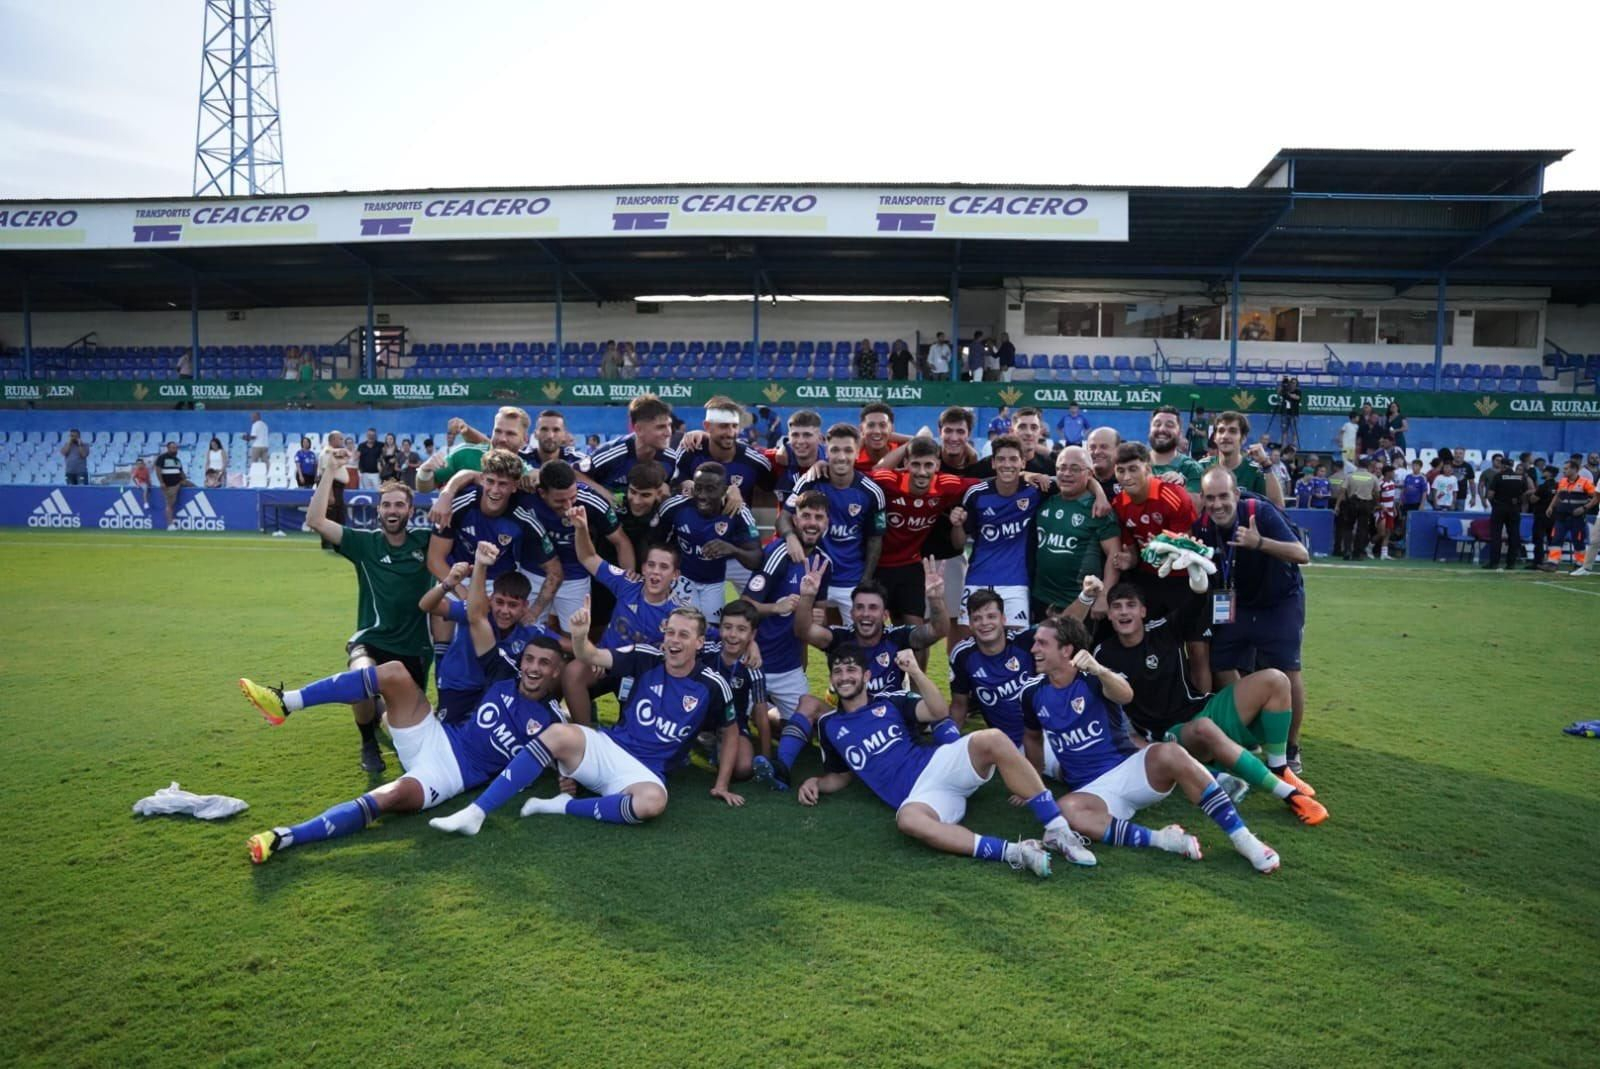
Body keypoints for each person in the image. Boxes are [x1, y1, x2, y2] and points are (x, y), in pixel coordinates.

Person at [238, 630, 568, 864]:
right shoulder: (503, 672)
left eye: (543, 663)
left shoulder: (554, 723)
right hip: (434, 735)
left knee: (390, 796)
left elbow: (572, 762)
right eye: (530, 659)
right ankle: (285, 703)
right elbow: (477, 615)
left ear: (556, 671)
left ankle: (283, 836)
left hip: (446, 775)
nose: (533, 668)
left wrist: (568, 780)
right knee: (395, 672)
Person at [429, 603, 745, 836]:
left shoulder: (712, 685)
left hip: (644, 772)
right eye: (671, 632)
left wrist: (721, 784)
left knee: (653, 803)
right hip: (608, 748)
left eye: (684, 635)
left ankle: (559, 805)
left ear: (700, 643)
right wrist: (580, 638)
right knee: (557, 733)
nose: (674, 640)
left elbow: (730, 732)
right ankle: (476, 812)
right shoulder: (645, 655)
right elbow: (592, 657)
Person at [798, 645, 1094, 876]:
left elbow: (939, 710)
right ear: (831, 680)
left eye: (851, 670)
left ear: (865, 676)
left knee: (991, 738)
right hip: (922, 796)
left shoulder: (890, 701)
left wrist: (914, 670)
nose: (844, 676)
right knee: (908, 820)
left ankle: (1058, 830)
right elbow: (842, 774)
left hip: (939, 763)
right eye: (837, 672)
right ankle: (1015, 852)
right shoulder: (829, 725)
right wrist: (817, 782)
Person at [1021, 614, 1280, 873]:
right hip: (1093, 792)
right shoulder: (1033, 693)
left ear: (1066, 649)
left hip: (1131, 772)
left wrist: (1099, 670)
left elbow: (1125, 694)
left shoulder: (1091, 679)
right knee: (1065, 810)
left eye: (1042, 643)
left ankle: (1244, 839)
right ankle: (1161, 839)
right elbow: (1032, 738)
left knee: (1170, 753)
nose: (1033, 649)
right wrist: (1033, 787)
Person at [1084, 582, 1327, 826]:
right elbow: (1104, 709)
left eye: (1131, 605)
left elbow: (1194, 607)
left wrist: (1198, 583)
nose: (1124, 612)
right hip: (1171, 735)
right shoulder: (1103, 654)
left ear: (1143, 611)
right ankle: (1290, 795)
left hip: (1203, 708)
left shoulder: (1163, 630)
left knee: (1276, 680)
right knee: (1204, 727)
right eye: (1117, 607)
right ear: (1110, 614)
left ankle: (1279, 767)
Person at [300, 448, 437, 772]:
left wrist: (444, 488)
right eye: (386, 504)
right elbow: (315, 520)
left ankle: (381, 714)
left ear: (409, 510)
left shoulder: (426, 541)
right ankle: (367, 741)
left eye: (399, 504)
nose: (392, 510)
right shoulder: (365, 543)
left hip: (415, 648)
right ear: (378, 509)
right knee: (360, 676)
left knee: (411, 730)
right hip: (372, 638)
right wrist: (330, 472)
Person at [1192, 467, 1313, 772]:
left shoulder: (1259, 512)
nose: (1217, 504)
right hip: (1238, 603)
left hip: (1279, 601)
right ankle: (1249, 730)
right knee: (1221, 662)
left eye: (1223, 496)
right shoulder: (1204, 524)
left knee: (1288, 669)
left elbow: (1302, 554)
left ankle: (1291, 746)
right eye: (1210, 498)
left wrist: (1260, 543)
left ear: (1236, 493)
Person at [563, 507, 685, 726]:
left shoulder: (680, 613)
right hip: (603, 663)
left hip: (641, 676)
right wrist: (581, 528)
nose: (656, 572)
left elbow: (711, 637)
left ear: (675, 575)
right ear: (643, 567)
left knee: (630, 729)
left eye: (664, 567)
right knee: (572, 673)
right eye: (651, 565)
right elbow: (588, 557)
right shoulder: (627, 584)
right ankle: (586, 738)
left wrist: (750, 644)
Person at [741, 491, 833, 776]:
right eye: (806, 516)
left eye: (818, 517)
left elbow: (809, 623)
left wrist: (818, 617)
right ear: (795, 519)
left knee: (808, 732)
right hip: (754, 663)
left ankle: (765, 716)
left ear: (827, 523)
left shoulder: (823, 563)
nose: (812, 522)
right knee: (733, 738)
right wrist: (775, 606)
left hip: (789, 668)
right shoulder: (778, 552)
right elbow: (744, 605)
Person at [426, 448, 563, 638]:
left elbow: (555, 571)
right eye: (490, 481)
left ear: (515, 486)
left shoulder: (523, 519)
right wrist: (465, 594)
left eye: (503, 484)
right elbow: (434, 559)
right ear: (482, 479)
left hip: (498, 584)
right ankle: (442, 657)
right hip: (457, 575)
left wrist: (533, 612)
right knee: (441, 614)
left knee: (493, 642)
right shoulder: (457, 505)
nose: (495, 490)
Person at [1109, 441, 1207, 691]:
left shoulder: (1173, 495)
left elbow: (1184, 546)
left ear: (1148, 469)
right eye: (1121, 470)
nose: (1127, 476)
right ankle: (1156, 707)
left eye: (1133, 469)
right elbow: (1132, 550)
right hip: (1149, 582)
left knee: (1197, 649)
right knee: (1153, 648)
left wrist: (1163, 546)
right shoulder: (1119, 504)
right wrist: (1128, 559)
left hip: (1184, 580)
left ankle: (1203, 711)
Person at [421, 544, 542, 725]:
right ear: (490, 599)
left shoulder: (529, 631)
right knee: (449, 738)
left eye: (513, 605)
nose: (504, 611)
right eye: (499, 602)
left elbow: (560, 648)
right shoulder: (475, 610)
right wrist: (448, 584)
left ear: (525, 607)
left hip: (493, 689)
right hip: (458, 685)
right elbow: (426, 605)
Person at [779, 424, 885, 619]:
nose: (841, 457)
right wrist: (790, 537)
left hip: (851, 581)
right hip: (811, 577)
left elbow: (875, 539)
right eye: (835, 450)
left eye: (848, 450)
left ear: (857, 452)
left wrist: (866, 580)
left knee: (859, 642)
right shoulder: (810, 480)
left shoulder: (872, 492)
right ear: (826, 450)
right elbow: (784, 517)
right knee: (799, 635)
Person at [867, 436, 976, 625]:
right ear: (906, 463)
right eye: (916, 465)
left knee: (915, 630)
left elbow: (987, 483)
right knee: (872, 626)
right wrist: (821, 466)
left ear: (937, 465)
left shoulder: (947, 484)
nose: (922, 472)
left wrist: (1025, 476)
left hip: (911, 565)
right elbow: (850, 479)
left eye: (928, 465)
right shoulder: (888, 480)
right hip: (878, 566)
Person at [792, 568, 948, 696]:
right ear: (852, 613)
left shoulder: (897, 637)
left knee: (934, 712)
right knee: (809, 705)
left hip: (891, 718)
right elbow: (803, 631)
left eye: (873, 608)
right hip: (852, 720)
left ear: (885, 615)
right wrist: (807, 596)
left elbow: (938, 630)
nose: (865, 613)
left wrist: (935, 599)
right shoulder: (840, 638)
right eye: (859, 607)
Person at [651, 462, 761, 625]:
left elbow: (757, 558)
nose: (702, 495)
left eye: (710, 489)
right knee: (683, 625)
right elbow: (654, 543)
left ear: (724, 491)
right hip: (684, 578)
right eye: (699, 488)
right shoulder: (675, 507)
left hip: (714, 582)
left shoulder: (738, 511)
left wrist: (732, 550)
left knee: (713, 632)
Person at [950, 435, 1041, 631]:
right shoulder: (977, 494)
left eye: (1013, 459)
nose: (1007, 464)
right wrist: (956, 525)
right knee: (968, 643)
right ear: (993, 463)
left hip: (1016, 583)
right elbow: (958, 544)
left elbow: (1076, 479)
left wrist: (1100, 496)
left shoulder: (1034, 489)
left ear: (1023, 462)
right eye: (1001, 459)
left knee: (1016, 645)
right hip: (978, 579)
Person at [1031, 445, 1121, 620]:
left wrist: (1104, 596)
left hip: (1079, 603)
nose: (1066, 473)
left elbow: (1114, 554)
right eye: (1061, 468)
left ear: (1089, 474)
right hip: (1040, 599)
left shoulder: (1099, 509)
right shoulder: (1044, 499)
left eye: (1074, 468)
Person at [947, 589, 1037, 745]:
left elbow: (1062, 627)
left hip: (1046, 734)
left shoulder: (1025, 641)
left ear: (1003, 619)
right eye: (977, 618)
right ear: (970, 623)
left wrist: (1085, 597)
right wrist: (948, 747)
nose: (984, 623)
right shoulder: (962, 655)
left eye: (991, 617)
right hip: (1007, 746)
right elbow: (959, 705)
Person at [697, 599, 772, 781]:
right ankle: (701, 741)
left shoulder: (753, 667)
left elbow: (762, 715)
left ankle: (717, 748)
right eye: (727, 627)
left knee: (744, 769)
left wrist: (767, 757)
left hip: (734, 724)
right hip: (698, 719)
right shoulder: (706, 650)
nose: (732, 635)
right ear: (720, 628)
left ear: (752, 634)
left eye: (741, 629)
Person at [579, 394, 679, 494]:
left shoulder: (670, 459)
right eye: (660, 427)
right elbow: (575, 474)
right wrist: (603, 493)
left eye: (669, 425)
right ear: (638, 429)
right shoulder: (612, 453)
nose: (668, 432)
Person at [417, 407, 531, 492]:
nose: (502, 439)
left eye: (511, 434)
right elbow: (424, 487)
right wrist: (425, 471)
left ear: (524, 440)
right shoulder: (465, 453)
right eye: (498, 431)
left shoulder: (524, 471)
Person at [1200, 411, 1284, 508]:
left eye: (1232, 431)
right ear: (1215, 437)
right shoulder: (1202, 467)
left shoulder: (1255, 471)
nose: (1225, 436)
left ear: (1243, 438)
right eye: (1221, 431)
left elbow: (1278, 507)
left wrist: (1266, 464)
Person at [1485, 455, 1534, 570]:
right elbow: (1529, 491)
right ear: (1512, 466)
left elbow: (1490, 495)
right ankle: (1511, 563)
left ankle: (1494, 563)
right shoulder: (1520, 478)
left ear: (1502, 465)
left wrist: (1494, 503)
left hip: (1499, 507)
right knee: (1514, 535)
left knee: (1496, 535)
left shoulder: (1498, 476)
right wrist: (1519, 499)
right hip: (1514, 508)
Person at [1549, 459, 1598, 573]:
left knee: (1578, 541)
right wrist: (1551, 507)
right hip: (1561, 516)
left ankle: (1580, 565)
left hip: (1577, 518)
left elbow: (1596, 497)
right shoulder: (1562, 481)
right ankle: (1552, 563)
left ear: (1574, 469)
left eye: (1566, 468)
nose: (1563, 470)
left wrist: (1584, 508)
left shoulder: (1585, 482)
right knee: (1556, 539)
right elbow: (1558, 495)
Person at [618, 460, 671, 565]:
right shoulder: (616, 504)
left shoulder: (668, 511)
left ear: (659, 493)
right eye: (632, 492)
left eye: (645, 495)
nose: (636, 501)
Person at [1147, 406, 1203, 503]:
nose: (1162, 429)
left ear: (1179, 432)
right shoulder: (1136, 463)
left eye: (1169, 425)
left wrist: (1179, 487)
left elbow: (1194, 510)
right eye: (1157, 424)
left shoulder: (1192, 468)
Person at [767, 409, 823, 499]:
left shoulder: (833, 462)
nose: (800, 441)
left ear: (819, 438)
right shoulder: (774, 458)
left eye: (807, 435)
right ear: (789, 436)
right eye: (795, 435)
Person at [154, 440, 187, 528]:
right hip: (169, 485)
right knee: (170, 504)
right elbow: (158, 470)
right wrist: (161, 482)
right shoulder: (162, 458)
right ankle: (170, 524)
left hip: (178, 482)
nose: (175, 449)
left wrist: (185, 479)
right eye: (173, 448)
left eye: (176, 448)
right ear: (168, 448)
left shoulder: (177, 460)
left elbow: (181, 472)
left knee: (193, 486)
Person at [1376, 465, 1399, 560]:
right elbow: (1375, 498)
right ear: (1387, 473)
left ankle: (1384, 553)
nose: (1394, 474)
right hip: (1381, 511)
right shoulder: (1380, 484)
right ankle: (1369, 547)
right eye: (1392, 472)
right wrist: (1382, 506)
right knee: (1382, 533)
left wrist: (1394, 508)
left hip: (1390, 511)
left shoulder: (1393, 483)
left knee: (1389, 532)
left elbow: (1392, 497)